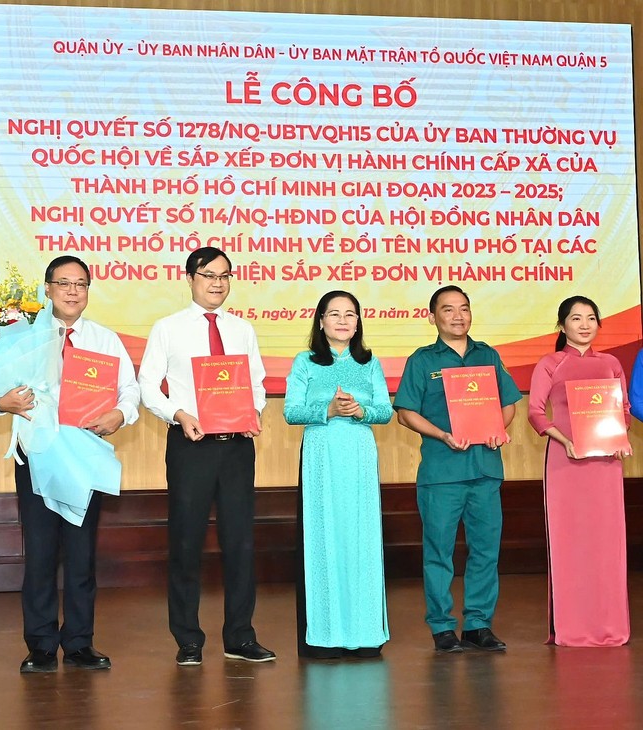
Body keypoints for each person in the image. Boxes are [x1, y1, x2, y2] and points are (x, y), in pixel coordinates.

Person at [0, 255, 140, 674]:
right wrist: (2, 404)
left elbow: (130, 392)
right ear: (47, 289)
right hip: (35, 457)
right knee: (38, 554)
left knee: (81, 554)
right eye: (64, 283)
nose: (73, 291)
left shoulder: (105, 340)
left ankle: (79, 643)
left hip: (83, 459)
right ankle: (40, 645)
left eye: (81, 284)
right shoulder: (22, 339)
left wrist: (120, 416)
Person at [138, 246, 275, 666]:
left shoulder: (242, 329)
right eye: (209, 274)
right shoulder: (167, 328)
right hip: (190, 445)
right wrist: (177, 413)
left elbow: (256, 383)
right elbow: (147, 384)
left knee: (240, 543)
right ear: (190, 278)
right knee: (185, 541)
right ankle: (188, 639)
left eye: (225, 275)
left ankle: (240, 636)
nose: (218, 283)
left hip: (235, 446)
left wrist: (254, 409)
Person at [393, 285, 521, 653]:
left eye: (464, 308)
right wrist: (442, 434)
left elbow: (509, 402)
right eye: (448, 310)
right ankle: (442, 627)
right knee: (439, 552)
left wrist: (499, 428)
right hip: (442, 473)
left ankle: (479, 624)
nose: (458, 316)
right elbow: (405, 413)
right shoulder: (422, 360)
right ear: (432, 317)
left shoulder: (488, 355)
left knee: (485, 551)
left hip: (485, 470)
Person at [283, 291, 392, 659]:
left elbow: (386, 411)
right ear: (321, 321)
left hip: (359, 453)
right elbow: (291, 411)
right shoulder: (306, 361)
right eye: (335, 314)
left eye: (350, 314)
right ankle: (327, 633)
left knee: (360, 538)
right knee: (324, 536)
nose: (343, 320)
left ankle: (364, 634)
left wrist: (361, 410)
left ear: (358, 322)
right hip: (321, 455)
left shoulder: (370, 362)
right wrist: (327, 407)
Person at [528, 296, 631, 646]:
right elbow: (536, 413)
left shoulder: (611, 363)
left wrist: (619, 435)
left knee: (606, 544)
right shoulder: (549, 363)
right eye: (576, 318)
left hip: (605, 465)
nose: (584, 325)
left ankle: (610, 625)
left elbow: (625, 411)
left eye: (591, 318)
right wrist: (565, 439)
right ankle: (571, 627)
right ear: (562, 325)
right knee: (571, 544)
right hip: (565, 464)